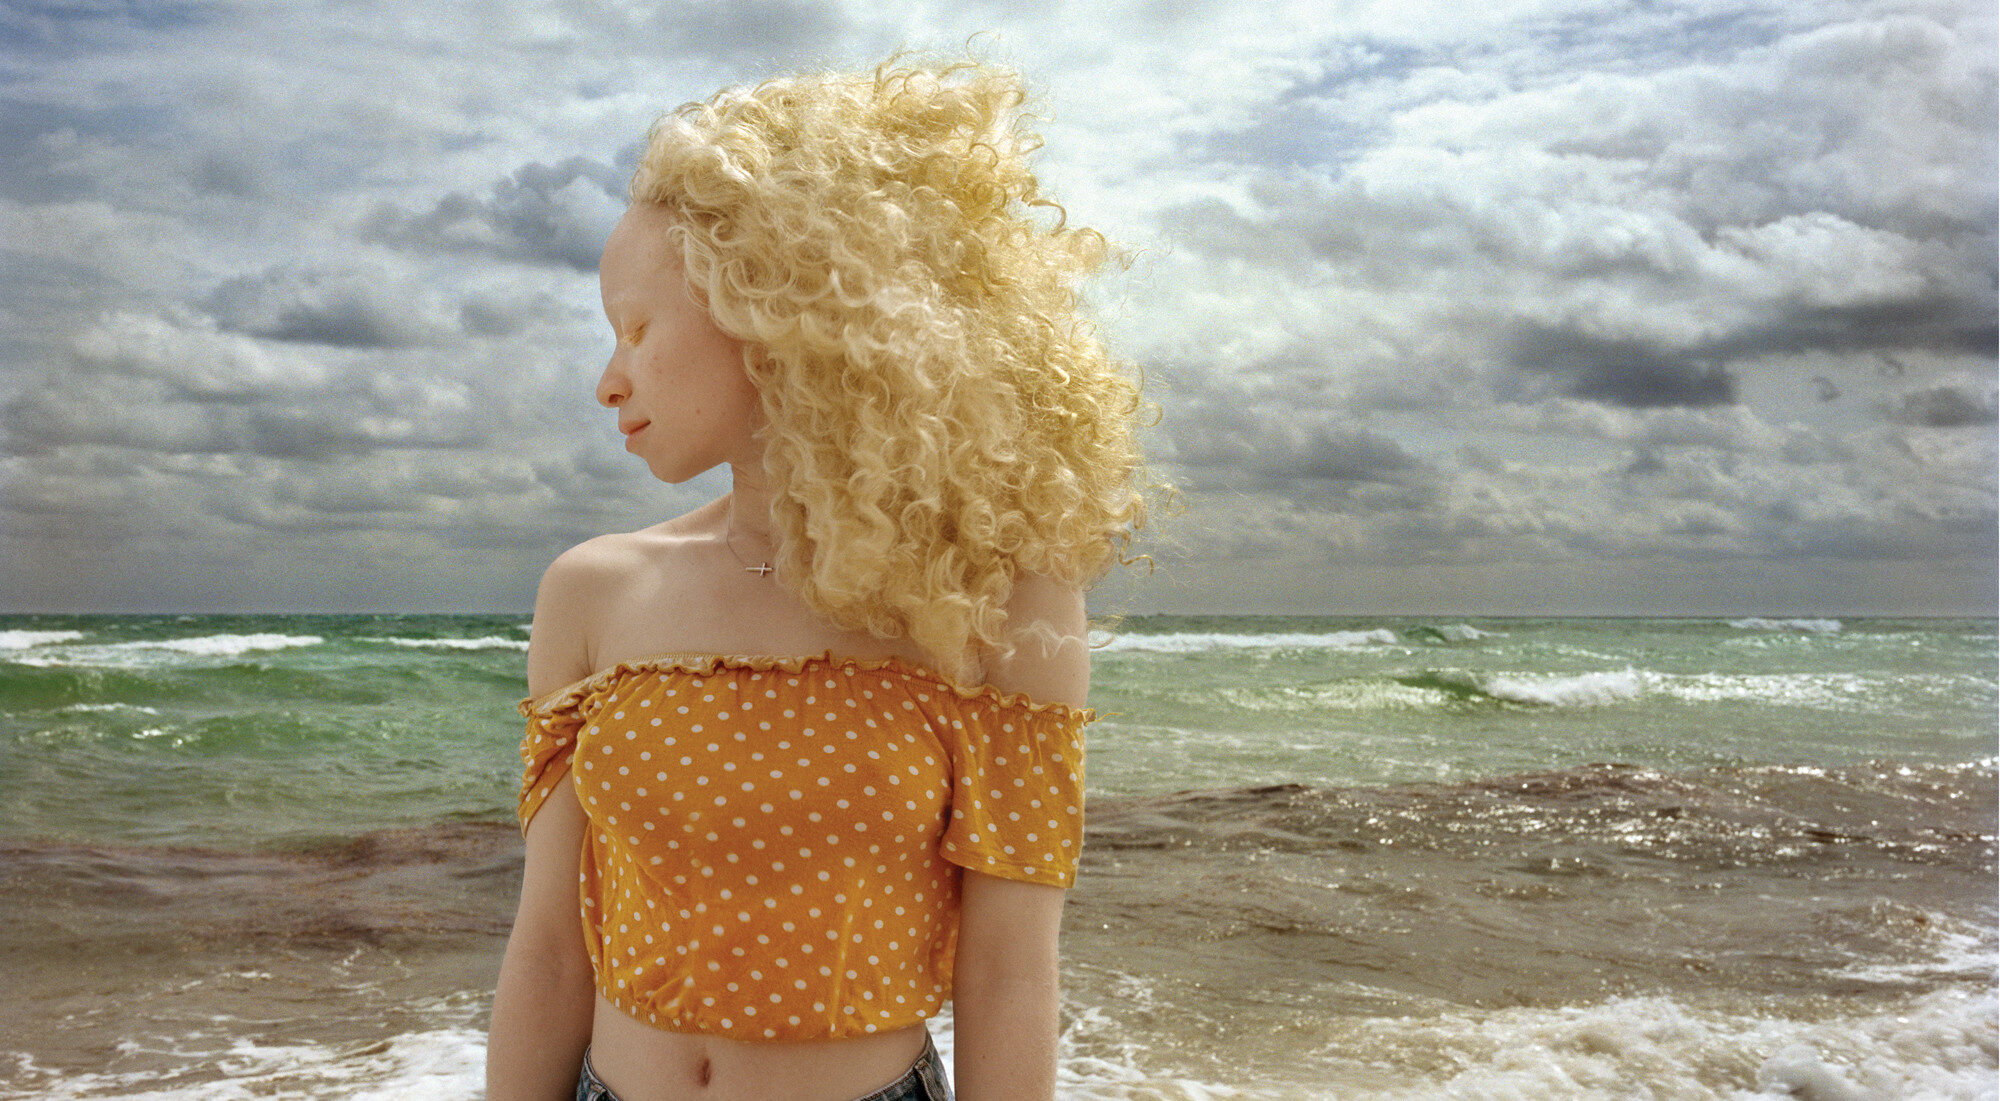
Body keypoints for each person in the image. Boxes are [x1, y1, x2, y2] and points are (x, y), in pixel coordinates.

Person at [486, 56, 1148, 1101]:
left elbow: (1009, 978)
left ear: (775, 308)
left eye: (638, 327)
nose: (608, 378)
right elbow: (548, 956)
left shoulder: (998, 599)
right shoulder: (593, 591)